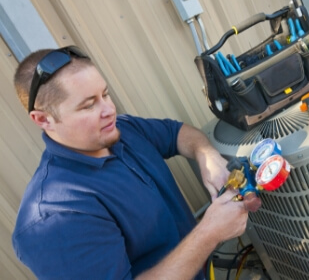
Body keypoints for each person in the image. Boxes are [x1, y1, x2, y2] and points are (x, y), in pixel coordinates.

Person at [11, 46, 249, 279]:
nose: (109, 110)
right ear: (44, 119)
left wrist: (206, 155)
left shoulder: (122, 129)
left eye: (104, 94)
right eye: (88, 105)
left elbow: (176, 133)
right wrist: (209, 233)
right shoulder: (54, 217)